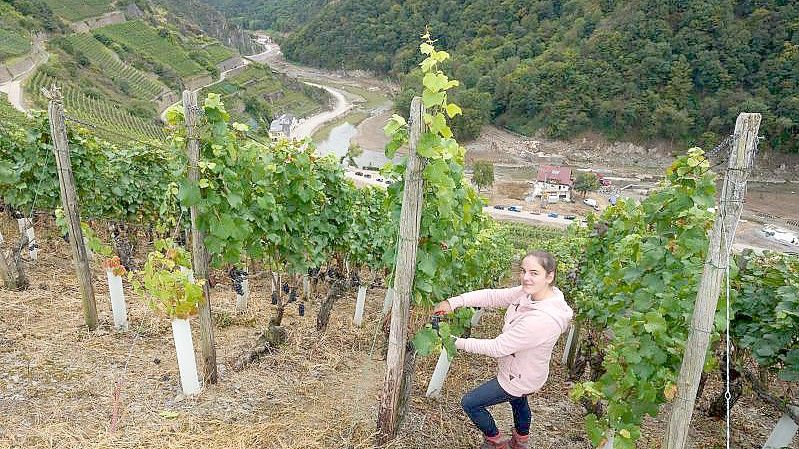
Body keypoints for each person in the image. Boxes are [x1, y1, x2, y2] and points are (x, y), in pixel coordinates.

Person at [433, 250, 573, 449]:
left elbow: (498, 347)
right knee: (518, 400)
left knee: (471, 403)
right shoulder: (530, 293)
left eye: (534, 273)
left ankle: (495, 441)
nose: (526, 277)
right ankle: (520, 442)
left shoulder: (543, 319)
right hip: (527, 370)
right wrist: (454, 302)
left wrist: (454, 341)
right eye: (523, 271)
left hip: (520, 376)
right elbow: (492, 296)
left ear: (549, 276)